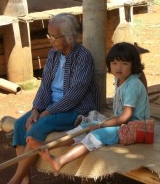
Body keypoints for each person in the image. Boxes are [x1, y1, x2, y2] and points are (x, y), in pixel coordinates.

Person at [27, 42, 150, 172]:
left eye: (124, 63)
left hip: (137, 129)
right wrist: (100, 124)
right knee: (84, 127)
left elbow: (126, 116)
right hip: (123, 125)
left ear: (133, 65)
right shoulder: (121, 80)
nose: (118, 67)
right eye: (114, 63)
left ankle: (60, 161)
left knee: (96, 134)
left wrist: (100, 125)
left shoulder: (133, 85)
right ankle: (46, 145)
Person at [7, 13, 99, 184]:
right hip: (51, 107)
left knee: (38, 127)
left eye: (54, 37)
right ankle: (25, 179)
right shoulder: (53, 54)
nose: (50, 40)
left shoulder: (83, 57)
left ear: (69, 36)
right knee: (20, 125)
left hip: (75, 109)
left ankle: (15, 179)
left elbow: (75, 95)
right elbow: (45, 85)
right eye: (48, 35)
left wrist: (47, 113)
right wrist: (36, 109)